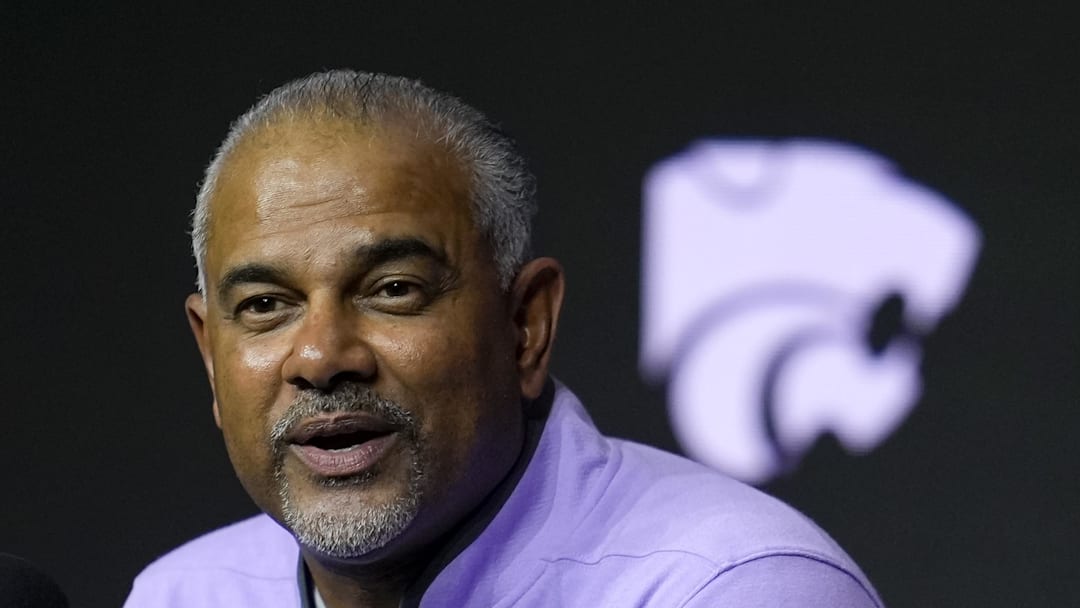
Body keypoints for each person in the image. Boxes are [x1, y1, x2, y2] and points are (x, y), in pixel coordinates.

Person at [124, 69, 883, 608]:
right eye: (265, 305)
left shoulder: (731, 587)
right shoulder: (181, 595)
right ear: (211, 358)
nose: (322, 357)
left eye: (393, 290)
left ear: (526, 325)